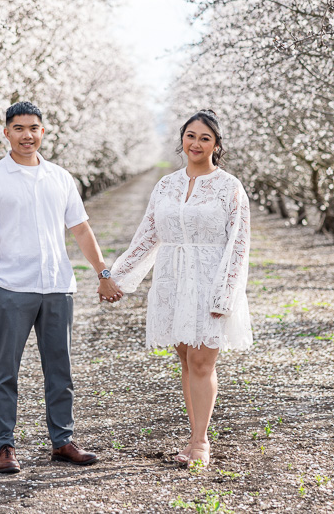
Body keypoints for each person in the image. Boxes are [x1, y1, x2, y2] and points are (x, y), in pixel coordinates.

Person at [0, 101, 123, 474]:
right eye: (19, 128)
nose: (27, 135)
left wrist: (103, 273)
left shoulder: (60, 177)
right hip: (12, 288)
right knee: (5, 371)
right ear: (6, 132)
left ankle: (63, 441)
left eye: (34, 128)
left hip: (56, 285)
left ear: (43, 132)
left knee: (60, 369)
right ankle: (4, 446)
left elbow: (81, 229)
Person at [109, 109, 252, 469]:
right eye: (191, 136)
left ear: (216, 145)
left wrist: (226, 294)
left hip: (209, 280)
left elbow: (239, 244)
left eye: (205, 138)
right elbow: (147, 236)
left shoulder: (229, 187)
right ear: (182, 140)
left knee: (204, 362)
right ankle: (193, 435)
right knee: (186, 359)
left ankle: (200, 442)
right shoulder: (166, 186)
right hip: (172, 281)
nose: (197, 143)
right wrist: (116, 276)